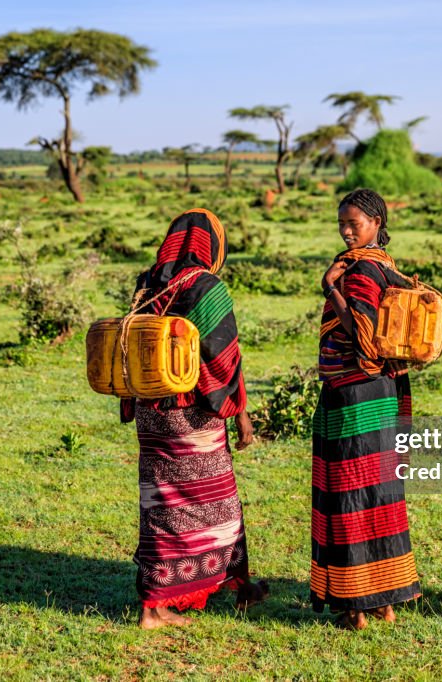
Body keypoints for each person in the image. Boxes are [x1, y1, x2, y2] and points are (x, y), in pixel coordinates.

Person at [121, 208, 267, 630]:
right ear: (211, 246)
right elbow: (225, 360)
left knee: (161, 503)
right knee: (218, 503)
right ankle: (157, 607)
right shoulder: (207, 287)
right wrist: (241, 416)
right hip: (193, 415)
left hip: (152, 412)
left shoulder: (146, 283)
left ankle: (227, 586)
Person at [311, 188, 422, 630]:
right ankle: (385, 599)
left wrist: (328, 287)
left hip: (353, 394)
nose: (345, 231)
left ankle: (355, 605)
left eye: (353, 223)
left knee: (349, 496)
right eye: (341, 224)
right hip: (383, 393)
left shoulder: (358, 271)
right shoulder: (389, 268)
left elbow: (362, 335)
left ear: (377, 222)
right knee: (380, 494)